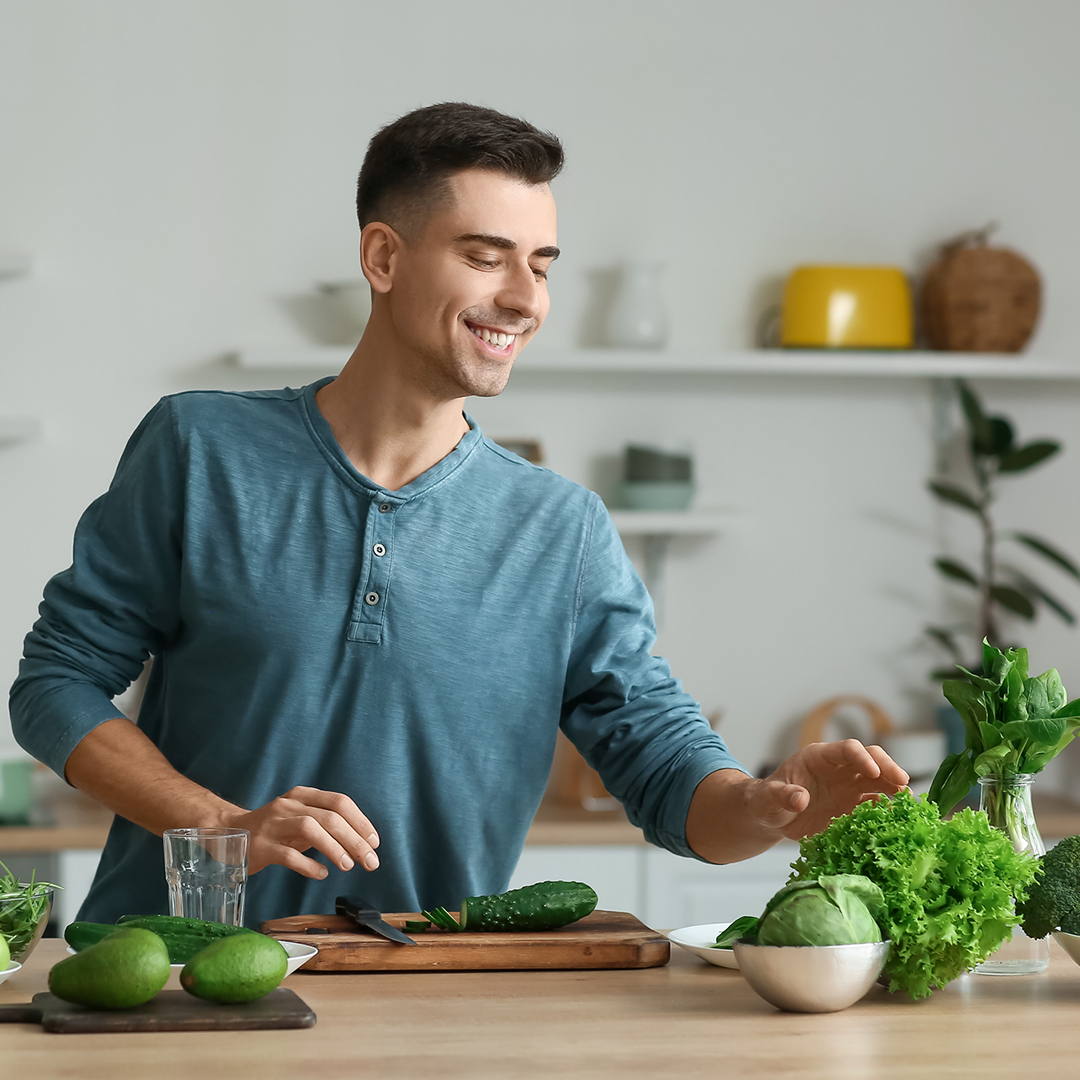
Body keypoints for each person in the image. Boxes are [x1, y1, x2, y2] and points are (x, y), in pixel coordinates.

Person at [9, 103, 907, 926]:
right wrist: (221, 823)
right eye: (486, 257)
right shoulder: (201, 449)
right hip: (161, 981)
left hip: (423, 998)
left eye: (541, 264)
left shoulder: (563, 530)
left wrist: (764, 808)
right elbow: (54, 684)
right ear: (384, 258)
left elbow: (666, 771)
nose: (525, 297)